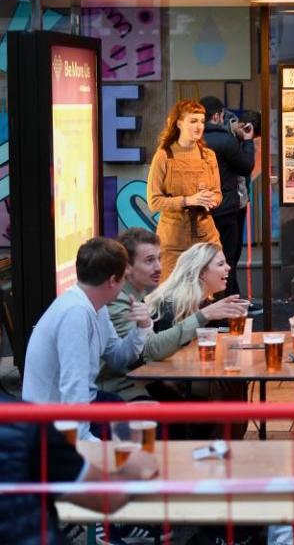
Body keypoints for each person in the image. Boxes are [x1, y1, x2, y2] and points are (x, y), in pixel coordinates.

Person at [22, 238, 150, 440]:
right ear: (112, 281)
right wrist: (87, 445)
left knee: (141, 419)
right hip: (51, 422)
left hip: (85, 402)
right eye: (124, 278)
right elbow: (74, 387)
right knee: (140, 432)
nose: (125, 284)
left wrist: (142, 327)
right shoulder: (75, 313)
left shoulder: (95, 305)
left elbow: (117, 357)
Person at [101, 228, 250, 401]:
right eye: (149, 261)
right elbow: (149, 351)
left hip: (147, 381)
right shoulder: (120, 300)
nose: (158, 267)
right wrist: (204, 316)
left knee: (227, 384)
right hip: (122, 390)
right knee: (218, 390)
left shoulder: (138, 296)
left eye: (159, 259)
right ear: (127, 267)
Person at [0, 394, 159, 545]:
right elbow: (108, 498)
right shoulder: (23, 423)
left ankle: (110, 525)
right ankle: (105, 526)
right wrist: (134, 466)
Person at [144, 242, 251, 438]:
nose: (228, 268)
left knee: (235, 378)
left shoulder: (203, 302)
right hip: (164, 385)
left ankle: (226, 442)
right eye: (220, 264)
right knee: (229, 382)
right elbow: (161, 362)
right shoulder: (173, 304)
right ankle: (221, 444)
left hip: (189, 377)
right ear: (201, 272)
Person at [147, 99, 222, 281]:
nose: (199, 126)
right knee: (173, 299)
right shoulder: (164, 155)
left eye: (202, 121)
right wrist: (188, 201)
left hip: (206, 236)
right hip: (173, 240)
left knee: (207, 295)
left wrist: (212, 199)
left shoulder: (208, 156)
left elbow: (218, 193)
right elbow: (154, 201)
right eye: (193, 121)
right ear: (179, 123)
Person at [199, 96, 256, 297]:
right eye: (222, 116)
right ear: (216, 116)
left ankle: (211, 307)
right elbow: (246, 166)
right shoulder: (225, 140)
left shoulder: (192, 141)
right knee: (227, 260)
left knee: (204, 262)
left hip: (200, 211)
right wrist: (247, 143)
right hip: (225, 210)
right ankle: (226, 311)